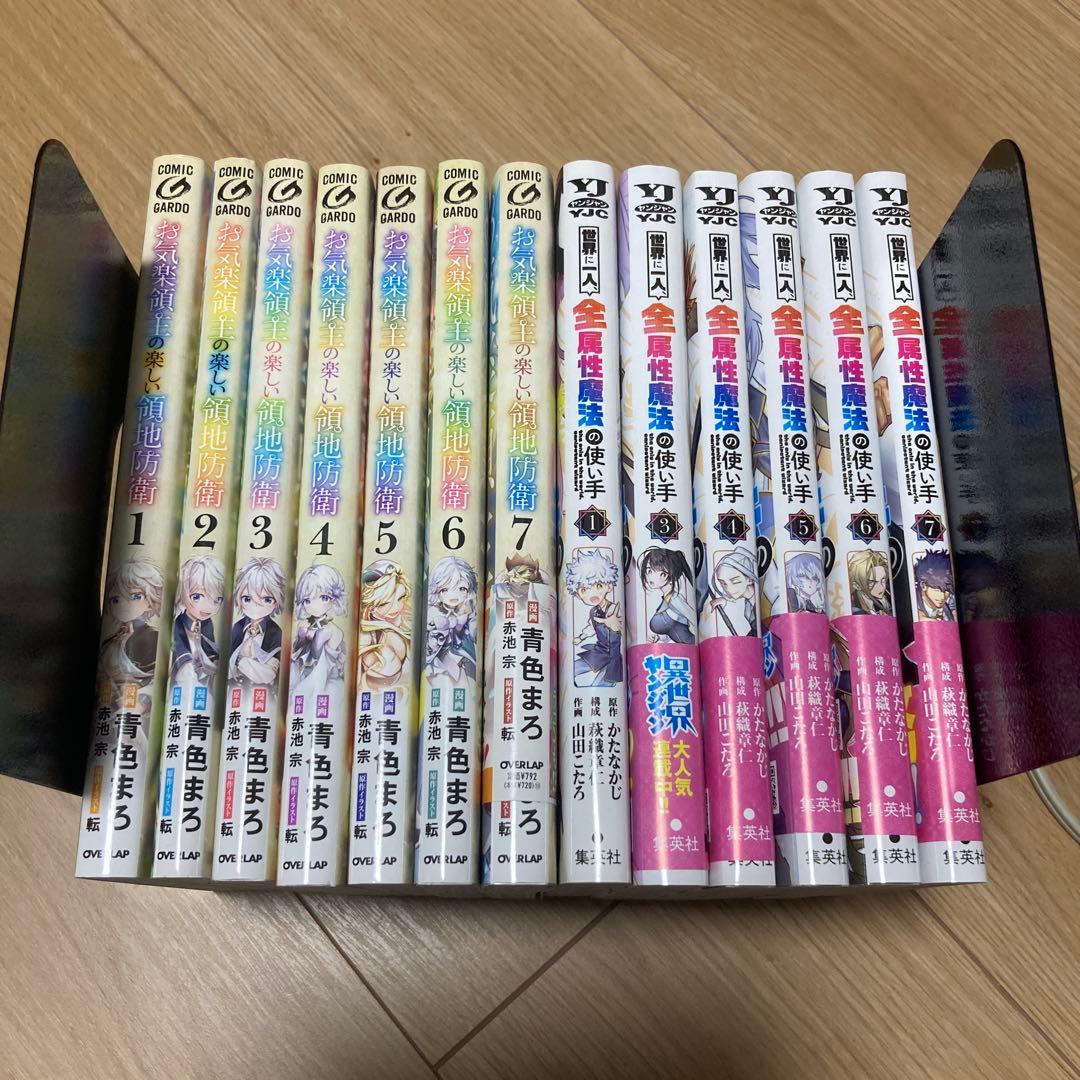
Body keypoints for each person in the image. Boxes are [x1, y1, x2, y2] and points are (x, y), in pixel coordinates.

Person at [566, 548, 622, 686]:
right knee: (571, 670)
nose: (592, 594)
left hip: (613, 656)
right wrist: (580, 637)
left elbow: (620, 627)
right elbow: (591, 627)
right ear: (577, 594)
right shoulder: (593, 612)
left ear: (609, 586)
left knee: (602, 684)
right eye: (584, 589)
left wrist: (615, 628)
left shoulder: (615, 609)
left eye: (598, 585)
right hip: (599, 651)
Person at [228, 557, 285, 692]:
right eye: (247, 599)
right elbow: (228, 666)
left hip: (262, 693)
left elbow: (269, 674)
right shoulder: (237, 627)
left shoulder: (275, 631)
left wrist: (239, 661)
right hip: (235, 691)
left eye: (266, 599)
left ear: (276, 602)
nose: (256, 606)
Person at [171, 555, 224, 698]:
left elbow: (209, 648)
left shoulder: (207, 623)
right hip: (183, 677)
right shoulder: (178, 622)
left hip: (203, 677)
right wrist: (187, 668)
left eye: (217, 600)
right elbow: (179, 649)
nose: (209, 607)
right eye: (197, 597)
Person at [291, 563, 347, 696]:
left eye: (323, 598)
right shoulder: (303, 625)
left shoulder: (334, 631)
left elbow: (325, 664)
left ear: (333, 599)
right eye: (307, 600)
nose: (314, 606)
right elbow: (295, 658)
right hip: (301, 678)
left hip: (326, 683)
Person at [425, 556, 478, 685]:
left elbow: (474, 633)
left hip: (465, 654)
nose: (453, 596)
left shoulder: (469, 610)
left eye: (462, 589)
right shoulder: (434, 611)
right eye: (445, 589)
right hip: (440, 657)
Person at [358, 560, 411, 690]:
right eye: (384, 604)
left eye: (400, 598)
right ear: (370, 607)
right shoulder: (366, 637)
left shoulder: (404, 622)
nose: (396, 608)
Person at [639, 547, 695, 644]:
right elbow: (671, 629)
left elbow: (692, 618)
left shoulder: (675, 599)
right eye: (649, 571)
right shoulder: (667, 599)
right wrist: (659, 638)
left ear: (665, 574)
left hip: (688, 646)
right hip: (679, 648)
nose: (648, 576)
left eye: (652, 571)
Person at [709, 549, 758, 636]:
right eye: (723, 583)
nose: (728, 589)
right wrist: (725, 599)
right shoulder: (748, 601)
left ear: (750, 579)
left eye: (735, 581)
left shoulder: (760, 602)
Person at [914, 550, 956, 621]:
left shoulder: (950, 601)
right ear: (923, 586)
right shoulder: (914, 602)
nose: (942, 597)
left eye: (947, 591)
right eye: (937, 590)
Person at [848, 549, 891, 616]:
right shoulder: (853, 607)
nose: (881, 587)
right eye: (872, 583)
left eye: (883, 580)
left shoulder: (888, 595)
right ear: (856, 585)